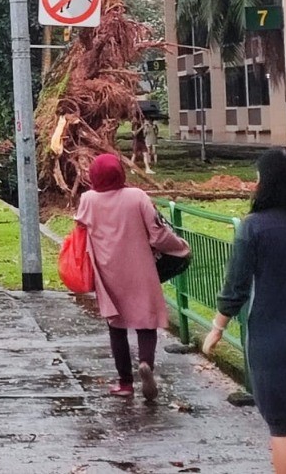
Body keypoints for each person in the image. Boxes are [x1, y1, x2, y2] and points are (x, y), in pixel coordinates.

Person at [204, 148, 286, 474]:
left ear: (269, 183)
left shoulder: (255, 227)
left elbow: (236, 288)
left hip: (275, 346)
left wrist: (217, 328)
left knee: (283, 426)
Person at [77, 153, 188, 400]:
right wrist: (180, 246)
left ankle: (125, 383)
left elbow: (81, 228)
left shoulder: (88, 200)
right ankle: (146, 363)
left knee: (116, 325)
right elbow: (158, 235)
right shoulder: (137, 196)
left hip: (107, 271)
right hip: (140, 267)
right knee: (145, 321)